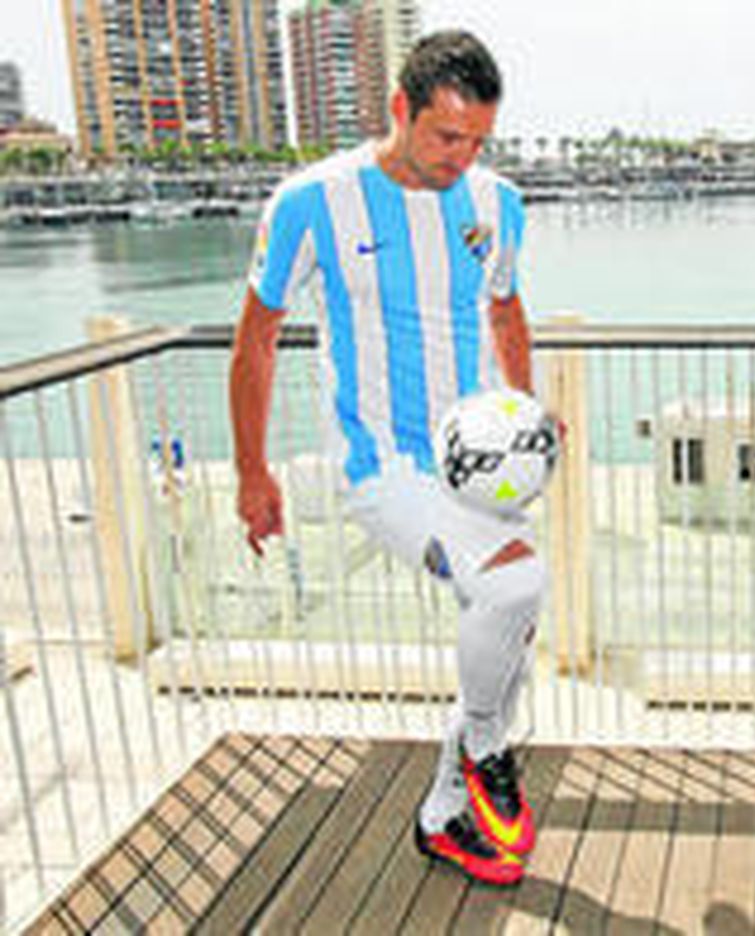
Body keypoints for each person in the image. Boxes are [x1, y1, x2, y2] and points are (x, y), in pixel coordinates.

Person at [229, 31, 543, 886]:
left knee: (509, 627)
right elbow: (256, 340)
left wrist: (531, 421)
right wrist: (251, 473)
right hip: (383, 470)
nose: (461, 157)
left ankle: (447, 815)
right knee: (515, 586)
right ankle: (484, 751)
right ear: (400, 109)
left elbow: (507, 312)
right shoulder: (312, 201)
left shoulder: (495, 201)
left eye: (477, 139)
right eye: (446, 136)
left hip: (480, 465)